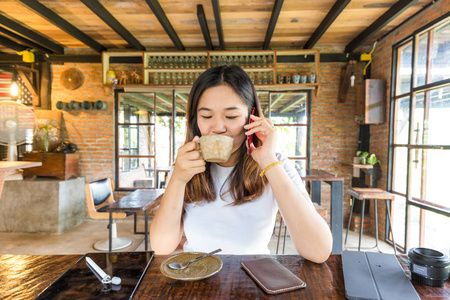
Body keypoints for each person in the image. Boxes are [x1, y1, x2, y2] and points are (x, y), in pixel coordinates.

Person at [150, 65, 332, 263]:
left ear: (251, 116)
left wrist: (269, 161)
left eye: (231, 116)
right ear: (195, 120)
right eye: (206, 116)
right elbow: (161, 247)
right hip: (198, 277)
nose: (218, 128)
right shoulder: (185, 166)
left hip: (254, 277)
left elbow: (319, 251)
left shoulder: (274, 163)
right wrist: (177, 178)